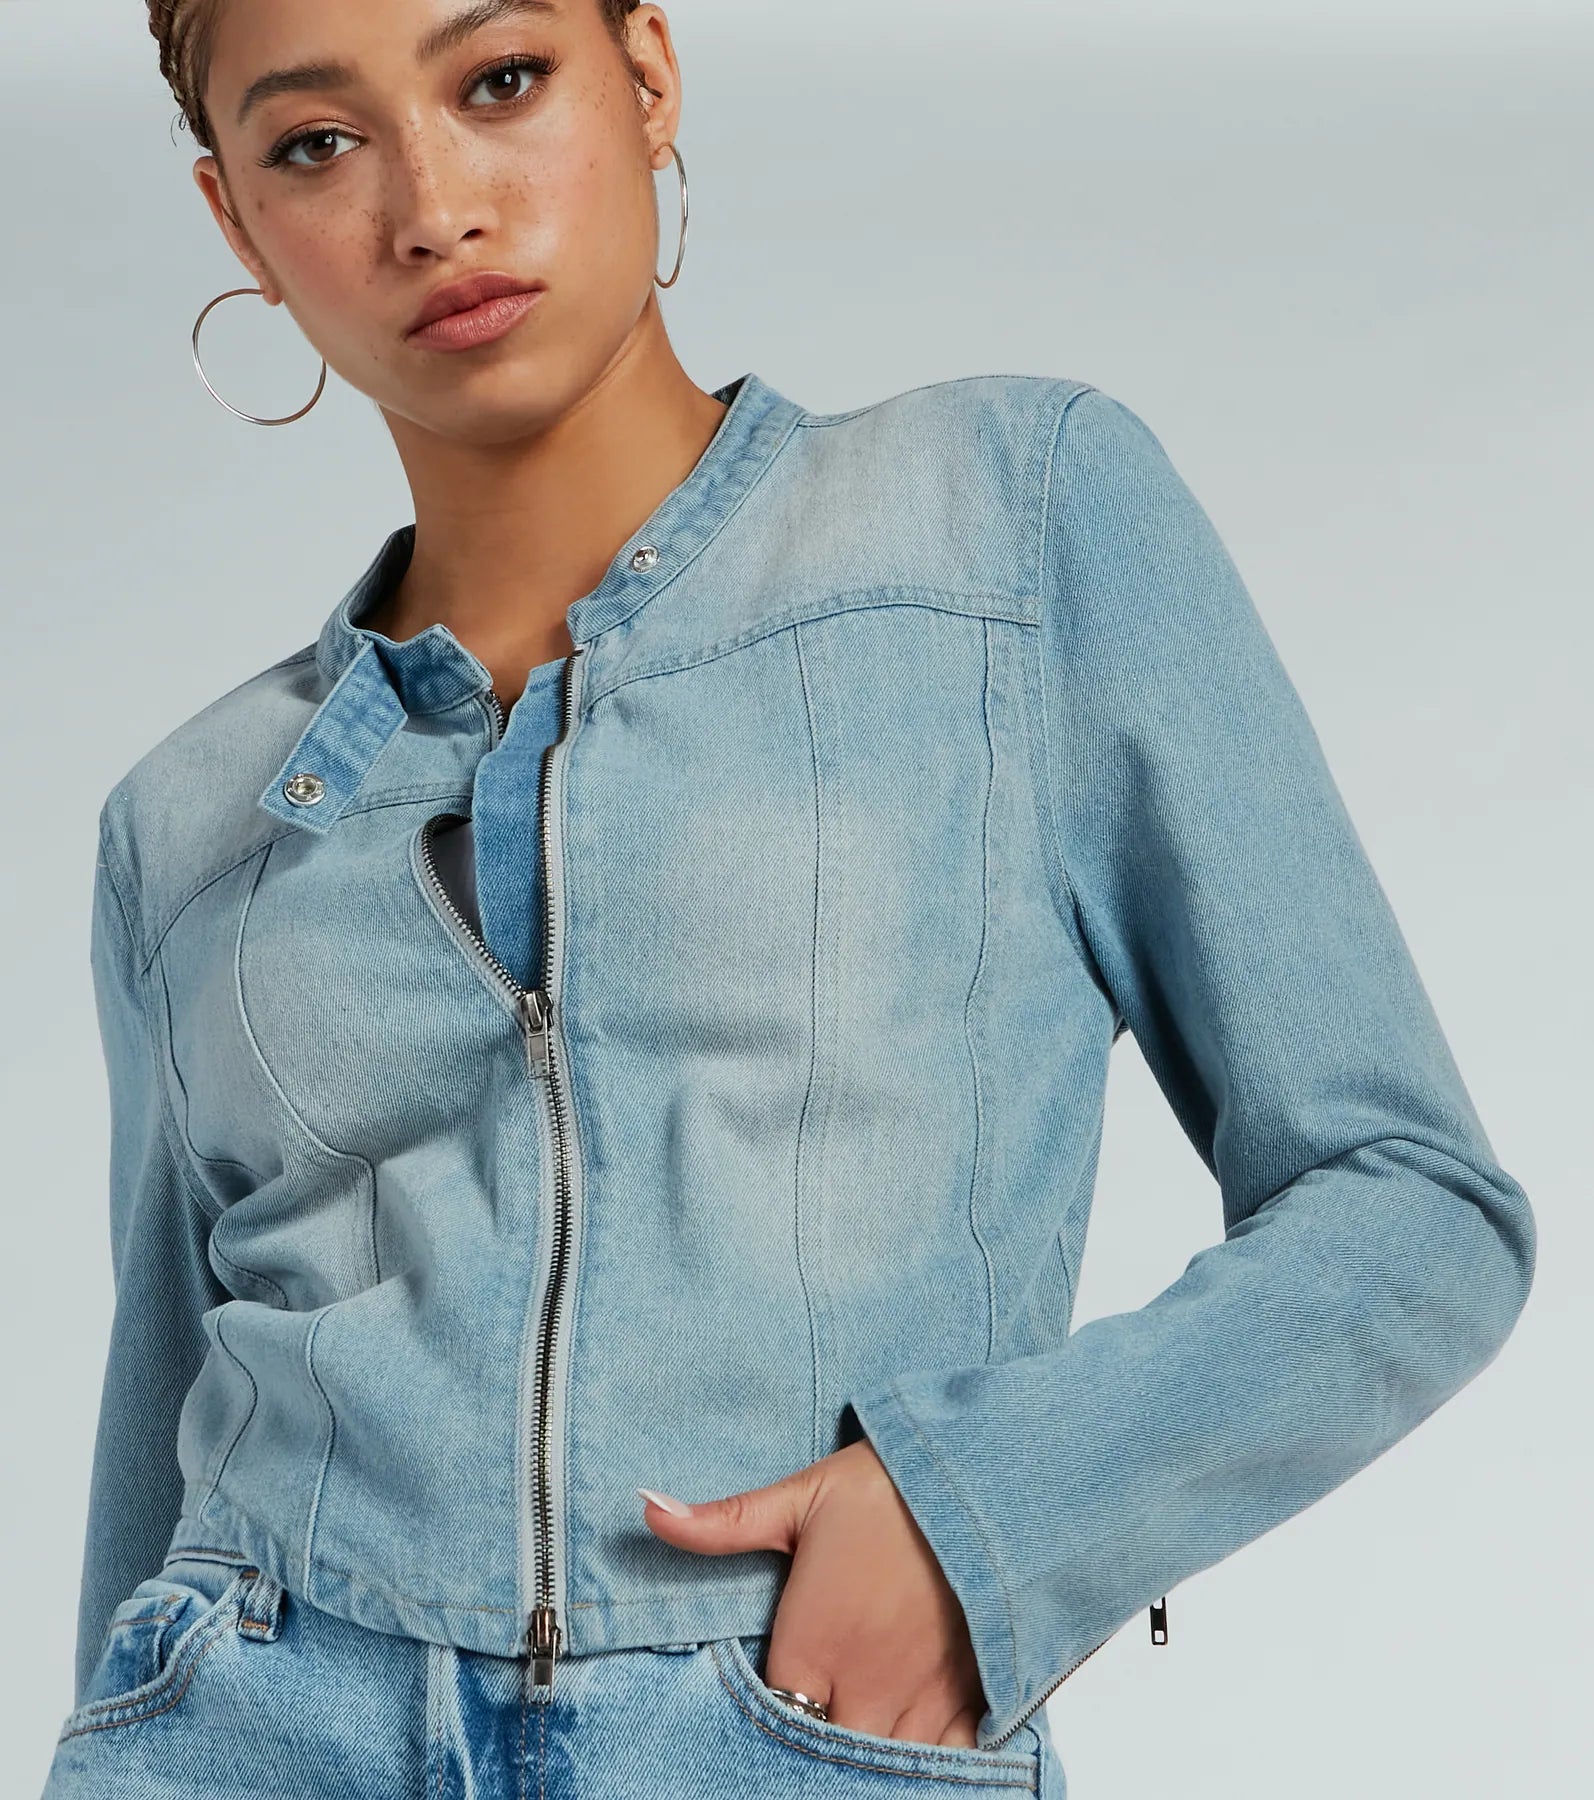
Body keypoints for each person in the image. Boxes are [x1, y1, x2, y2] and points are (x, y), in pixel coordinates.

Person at [41, 3, 1537, 1796]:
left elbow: (1410, 1206)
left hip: (784, 1735)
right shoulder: (189, 820)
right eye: (315, 144)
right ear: (236, 221)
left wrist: (982, 1517)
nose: (431, 209)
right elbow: (153, 1460)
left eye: (499, 81)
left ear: (646, 74)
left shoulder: (1003, 530)